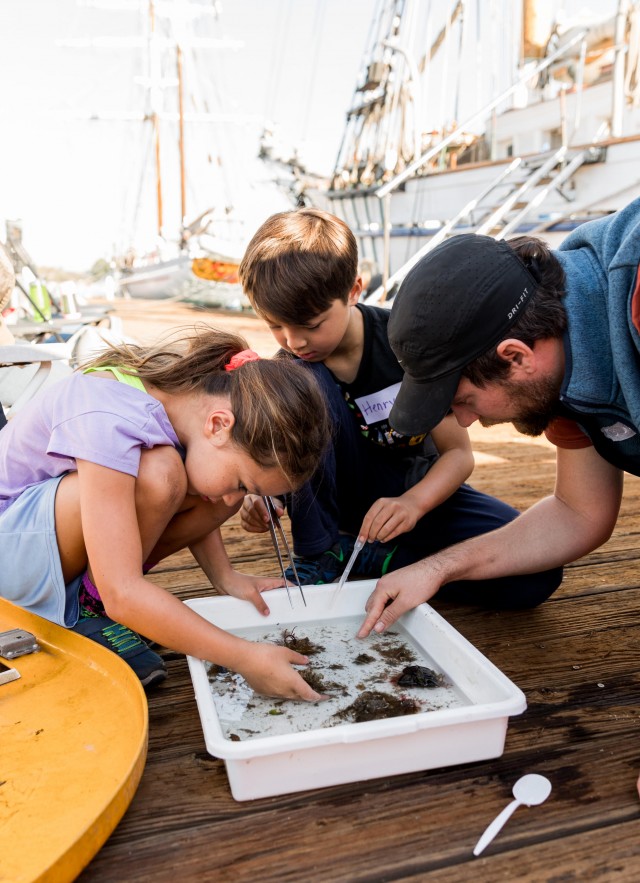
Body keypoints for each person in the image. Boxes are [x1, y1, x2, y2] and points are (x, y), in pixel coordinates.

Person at [352, 199, 640, 792]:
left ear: (514, 358)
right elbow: (577, 513)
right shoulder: (557, 364)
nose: (466, 422)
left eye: (462, 402)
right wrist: (439, 568)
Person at [237, 207, 562, 606]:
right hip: (332, 510)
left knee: (535, 572)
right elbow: (277, 461)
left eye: (312, 324)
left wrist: (414, 503)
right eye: (275, 326)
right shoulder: (291, 368)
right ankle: (321, 553)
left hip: (415, 499)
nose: (294, 341)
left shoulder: (410, 345)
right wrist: (265, 495)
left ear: (354, 290)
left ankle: (383, 561)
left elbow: (458, 455)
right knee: (301, 382)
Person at [0, 325, 331, 700]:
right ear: (219, 424)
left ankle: (94, 597)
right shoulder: (108, 413)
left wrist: (225, 577)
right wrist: (245, 657)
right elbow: (122, 592)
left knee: (189, 477)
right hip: (9, 554)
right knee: (161, 472)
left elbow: (206, 480)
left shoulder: (185, 402)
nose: (232, 501)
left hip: (46, 545)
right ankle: (90, 609)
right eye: (243, 482)